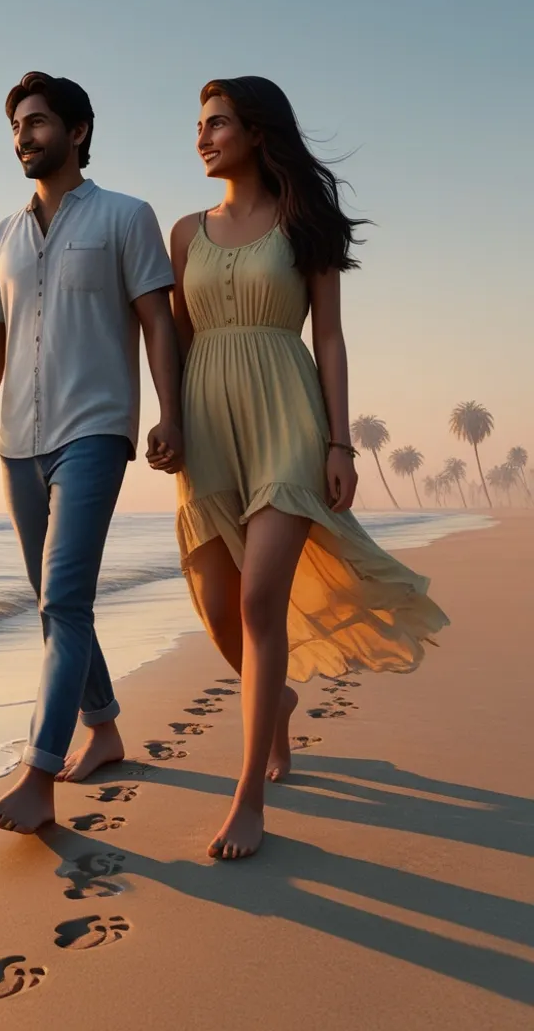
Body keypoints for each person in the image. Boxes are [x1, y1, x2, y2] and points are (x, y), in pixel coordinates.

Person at [156, 76, 449, 860]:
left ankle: (248, 796)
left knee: (258, 602)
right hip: (210, 427)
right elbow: (176, 342)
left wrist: (340, 443)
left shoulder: (302, 222)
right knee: (219, 609)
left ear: (257, 132)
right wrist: (169, 421)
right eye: (199, 123)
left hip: (287, 417)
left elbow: (329, 340)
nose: (202, 135)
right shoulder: (184, 233)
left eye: (217, 123)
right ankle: (276, 698)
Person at [0, 71, 181, 835]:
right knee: (56, 608)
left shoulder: (125, 217)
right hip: (19, 443)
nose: (24, 136)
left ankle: (38, 775)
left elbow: (156, 321)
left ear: (77, 131)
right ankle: (104, 725)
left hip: (95, 431)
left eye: (39, 122)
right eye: (17, 126)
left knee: (65, 600)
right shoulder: (1, 237)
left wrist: (169, 412)